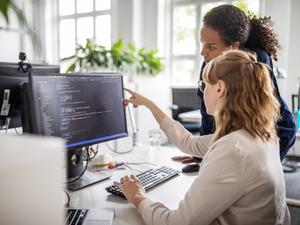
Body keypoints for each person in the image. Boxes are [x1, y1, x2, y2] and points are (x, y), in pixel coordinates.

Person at [115, 50, 290, 225]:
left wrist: (138, 197)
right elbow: (188, 142)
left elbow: (177, 223)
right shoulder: (258, 134)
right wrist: (149, 104)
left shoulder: (234, 149)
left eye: (204, 85)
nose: (202, 91)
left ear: (220, 88)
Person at [174, 4, 296, 169]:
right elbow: (208, 114)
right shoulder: (208, 63)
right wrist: (201, 156)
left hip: (278, 130)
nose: (203, 53)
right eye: (203, 44)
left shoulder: (255, 61)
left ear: (234, 46)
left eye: (211, 47)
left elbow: (252, 120)